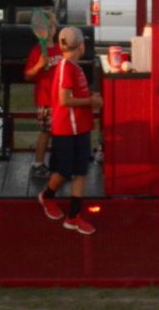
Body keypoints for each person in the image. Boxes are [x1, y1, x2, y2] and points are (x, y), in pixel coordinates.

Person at [38, 26, 103, 235]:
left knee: (81, 172)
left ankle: (73, 217)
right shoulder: (66, 67)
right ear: (81, 45)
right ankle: (47, 196)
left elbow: (76, 93)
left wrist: (91, 97)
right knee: (64, 172)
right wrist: (90, 102)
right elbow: (64, 99)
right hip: (67, 128)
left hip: (80, 127)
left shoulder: (74, 67)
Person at [24, 12, 62, 179]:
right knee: (46, 132)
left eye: (51, 26)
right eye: (44, 27)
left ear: (55, 29)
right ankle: (38, 164)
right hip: (45, 99)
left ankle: (59, 163)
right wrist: (39, 65)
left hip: (62, 98)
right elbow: (28, 75)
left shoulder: (61, 48)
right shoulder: (37, 51)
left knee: (61, 133)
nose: (48, 30)